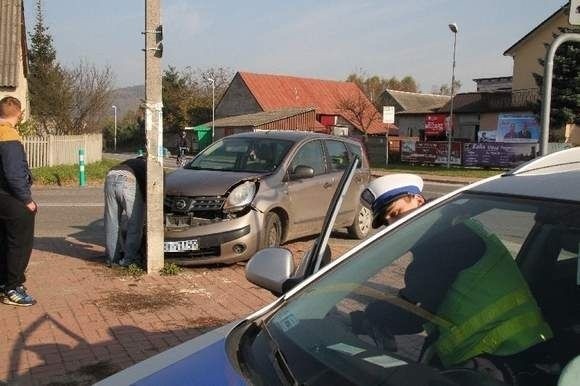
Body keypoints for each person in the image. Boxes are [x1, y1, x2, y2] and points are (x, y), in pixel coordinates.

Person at [359, 174, 552, 383]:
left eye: (395, 213)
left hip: (507, 352)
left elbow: (413, 314)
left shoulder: (446, 241)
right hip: (499, 349)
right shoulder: (451, 227)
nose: (393, 224)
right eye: (387, 222)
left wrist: (370, 314)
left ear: (418, 200)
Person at [0, 97, 37, 306]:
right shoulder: (9, 136)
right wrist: (27, 200)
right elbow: (14, 174)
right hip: (10, 197)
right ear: (19, 114)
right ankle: (13, 288)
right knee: (19, 244)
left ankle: (3, 282)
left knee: (3, 241)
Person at [104, 157, 146, 267]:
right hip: (128, 180)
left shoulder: (132, 162)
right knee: (135, 223)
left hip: (110, 176)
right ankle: (130, 260)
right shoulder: (151, 169)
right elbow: (153, 197)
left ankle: (112, 259)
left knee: (111, 223)